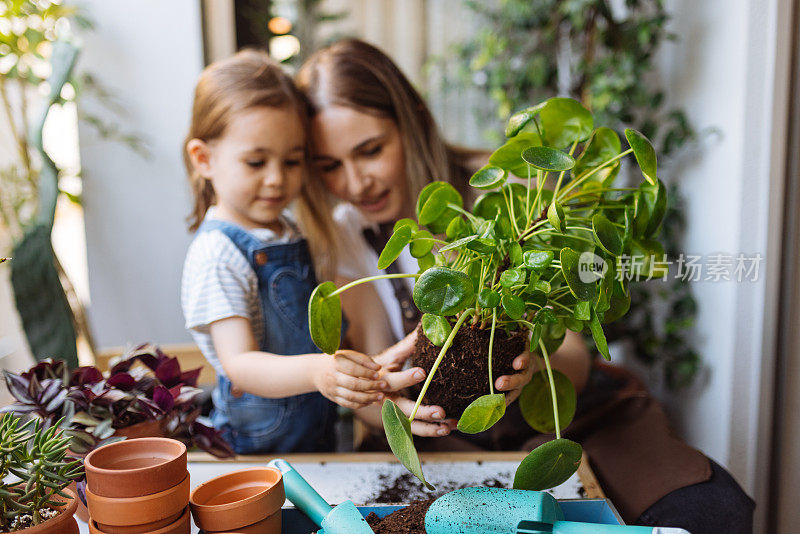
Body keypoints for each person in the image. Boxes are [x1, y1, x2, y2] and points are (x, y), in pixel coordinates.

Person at [297, 38, 754, 533]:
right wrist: (391, 406)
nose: (356, 181)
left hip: (569, 419)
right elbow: (373, 375)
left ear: (410, 121)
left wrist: (533, 365)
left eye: (370, 150)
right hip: (449, 438)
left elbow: (576, 359)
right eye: (330, 166)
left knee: (708, 510)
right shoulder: (347, 232)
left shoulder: (504, 190)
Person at [180, 49, 406, 454]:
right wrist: (320, 371)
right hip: (255, 456)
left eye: (292, 161)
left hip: (317, 442)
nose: (276, 179)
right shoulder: (218, 253)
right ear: (203, 159)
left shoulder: (290, 233)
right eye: (255, 162)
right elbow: (240, 364)